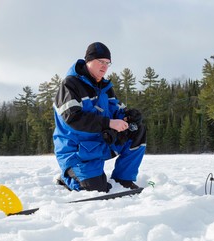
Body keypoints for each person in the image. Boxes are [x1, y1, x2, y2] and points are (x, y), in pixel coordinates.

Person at [53, 42, 146, 193]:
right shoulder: (70, 85)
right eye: (100, 62)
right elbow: (73, 118)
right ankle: (68, 177)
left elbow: (116, 110)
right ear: (88, 61)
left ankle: (124, 179)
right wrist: (108, 123)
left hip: (100, 143)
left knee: (137, 130)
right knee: (96, 189)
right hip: (76, 151)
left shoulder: (105, 87)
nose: (104, 67)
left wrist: (128, 116)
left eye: (107, 63)